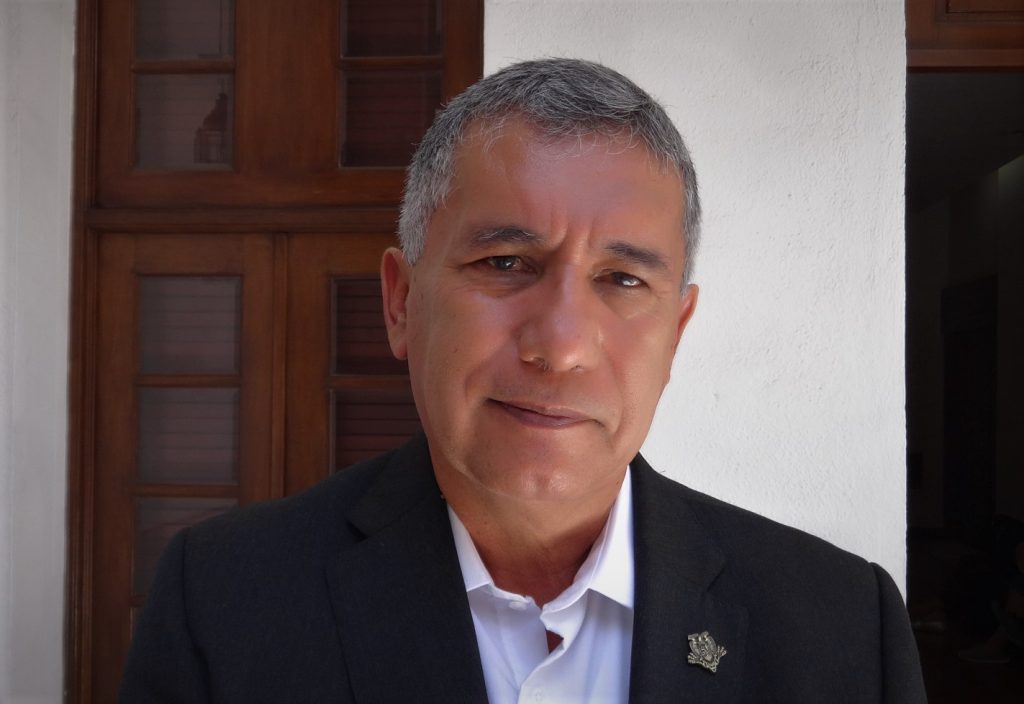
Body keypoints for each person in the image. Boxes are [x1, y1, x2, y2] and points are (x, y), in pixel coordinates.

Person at [120, 58, 926, 703]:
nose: (562, 346)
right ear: (401, 303)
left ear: (676, 334)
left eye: (622, 280)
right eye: (506, 264)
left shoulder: (841, 627)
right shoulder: (225, 603)